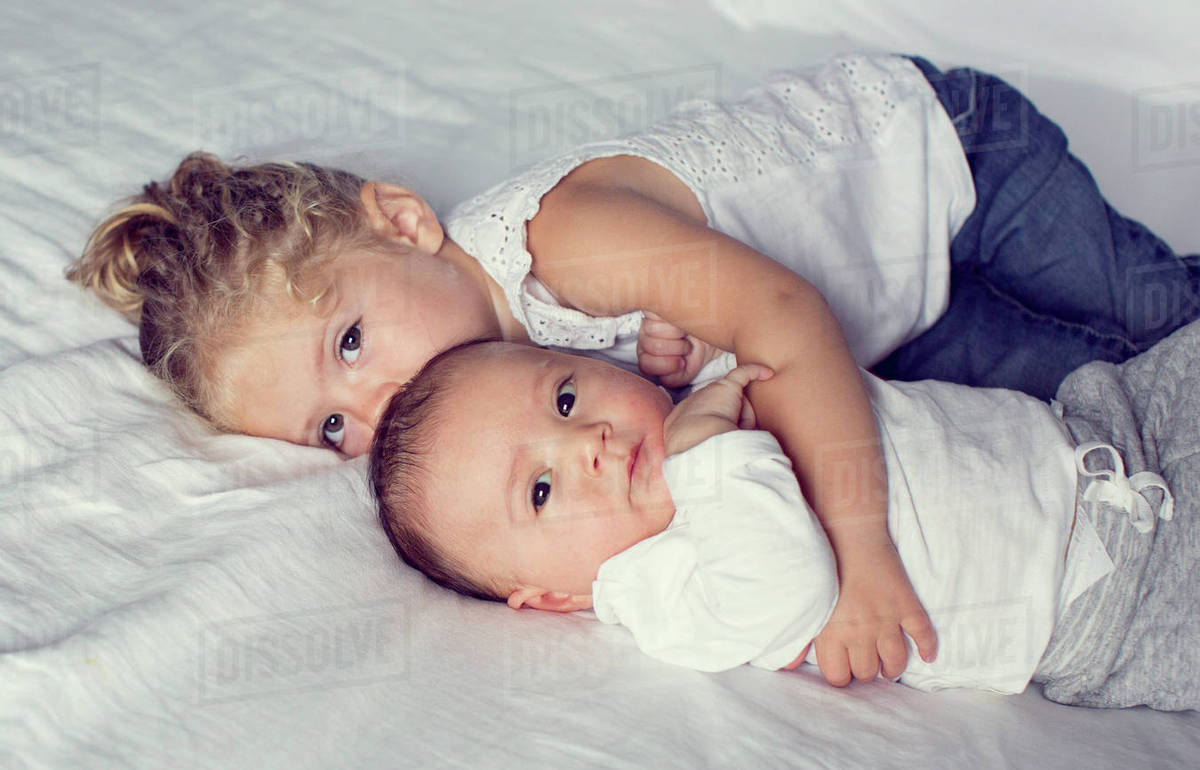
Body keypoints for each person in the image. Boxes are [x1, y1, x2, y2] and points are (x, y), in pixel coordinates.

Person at [66, 54, 1199, 688]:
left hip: (950, 177)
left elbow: (787, 313)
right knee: (1094, 401)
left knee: (1160, 320)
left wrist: (862, 560)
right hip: (877, 342)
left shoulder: (566, 243)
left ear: (405, 223)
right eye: (326, 428)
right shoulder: (506, 410)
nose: (372, 408)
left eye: (350, 344)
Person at [369, 336, 1196, 711]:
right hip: (1106, 596)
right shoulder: (660, 590)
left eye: (565, 397)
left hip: (1101, 420)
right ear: (547, 596)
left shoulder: (706, 405)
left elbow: (811, 361)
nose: (586, 443)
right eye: (540, 491)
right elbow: (792, 580)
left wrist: (693, 362)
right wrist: (703, 451)